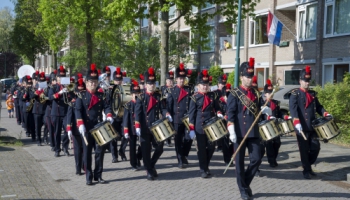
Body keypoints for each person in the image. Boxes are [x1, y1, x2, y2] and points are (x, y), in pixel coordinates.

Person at [226, 58, 271, 200]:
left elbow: (257, 110)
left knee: (257, 158)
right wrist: (231, 129)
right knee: (239, 163)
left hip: (253, 132)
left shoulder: (256, 94)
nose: (250, 79)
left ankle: (245, 183)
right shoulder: (234, 93)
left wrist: (265, 110)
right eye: (247, 76)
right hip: (239, 132)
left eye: (251, 76)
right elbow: (231, 113)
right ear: (241, 77)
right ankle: (243, 191)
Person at [289, 65, 330, 179]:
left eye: (308, 80)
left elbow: (319, 106)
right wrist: (296, 122)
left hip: (312, 126)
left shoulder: (312, 94)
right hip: (301, 127)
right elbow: (293, 109)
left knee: (316, 148)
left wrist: (325, 113)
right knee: (304, 150)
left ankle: (308, 165)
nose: (307, 83)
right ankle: (306, 170)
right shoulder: (295, 94)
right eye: (305, 81)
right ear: (300, 81)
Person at [75, 63, 113, 185]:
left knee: (99, 152)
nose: (93, 83)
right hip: (86, 128)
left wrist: (109, 115)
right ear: (86, 82)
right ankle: (88, 177)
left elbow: (107, 107)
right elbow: (78, 111)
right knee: (87, 154)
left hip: (98, 127)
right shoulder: (81, 96)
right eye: (91, 81)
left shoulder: (101, 95)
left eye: (95, 81)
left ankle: (98, 175)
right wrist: (80, 123)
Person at [134, 67, 167, 180]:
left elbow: (163, 108)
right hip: (144, 128)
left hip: (156, 127)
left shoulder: (158, 96)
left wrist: (166, 113)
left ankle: (151, 165)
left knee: (160, 147)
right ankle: (148, 170)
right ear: (146, 84)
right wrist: (137, 125)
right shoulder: (141, 97)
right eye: (149, 83)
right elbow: (137, 113)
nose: (152, 85)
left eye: (153, 83)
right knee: (146, 151)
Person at [188, 69, 222, 178]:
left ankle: (206, 165)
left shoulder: (213, 96)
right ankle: (203, 169)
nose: (205, 87)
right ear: (198, 86)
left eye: (207, 84)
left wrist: (219, 112)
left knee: (211, 147)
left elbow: (217, 108)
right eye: (203, 85)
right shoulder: (194, 98)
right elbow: (191, 114)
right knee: (202, 148)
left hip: (211, 126)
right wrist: (191, 129)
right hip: (200, 127)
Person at [166, 63, 193, 168]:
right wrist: (168, 115)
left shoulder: (188, 90)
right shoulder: (172, 91)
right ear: (176, 79)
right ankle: (180, 160)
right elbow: (169, 105)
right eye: (180, 78)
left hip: (187, 119)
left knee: (188, 139)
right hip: (176, 119)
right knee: (178, 141)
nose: (182, 80)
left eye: (183, 78)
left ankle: (184, 155)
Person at [48, 66, 70, 157]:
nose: (61, 79)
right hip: (56, 112)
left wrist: (69, 91)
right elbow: (50, 97)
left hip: (66, 112)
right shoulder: (53, 87)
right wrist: (60, 93)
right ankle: (57, 149)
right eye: (60, 77)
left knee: (67, 130)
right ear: (57, 78)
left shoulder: (68, 86)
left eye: (63, 77)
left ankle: (65, 147)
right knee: (57, 132)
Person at [67, 77, 86, 176]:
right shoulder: (73, 102)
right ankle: (78, 168)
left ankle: (85, 166)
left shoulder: (87, 101)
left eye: (83, 90)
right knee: (78, 150)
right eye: (80, 90)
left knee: (86, 149)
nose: (81, 92)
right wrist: (69, 129)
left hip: (86, 128)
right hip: (76, 128)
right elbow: (69, 116)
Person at [123, 79, 143, 171]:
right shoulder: (128, 105)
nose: (137, 95)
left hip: (141, 127)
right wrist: (126, 130)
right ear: (131, 95)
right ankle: (133, 163)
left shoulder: (143, 103)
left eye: (138, 93)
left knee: (143, 145)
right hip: (132, 128)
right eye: (135, 94)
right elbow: (126, 118)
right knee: (132, 147)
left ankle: (139, 157)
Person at [30, 72, 48, 146]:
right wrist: (37, 91)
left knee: (47, 124)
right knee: (38, 126)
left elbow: (49, 97)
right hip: (37, 110)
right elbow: (31, 96)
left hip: (45, 108)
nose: (42, 82)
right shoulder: (34, 88)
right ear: (38, 81)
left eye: (43, 81)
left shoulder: (47, 87)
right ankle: (38, 139)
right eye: (40, 81)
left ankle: (45, 137)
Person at [161, 70, 174, 147]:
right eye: (169, 80)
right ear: (166, 80)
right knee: (166, 124)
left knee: (171, 124)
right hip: (166, 107)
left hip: (173, 108)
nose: (171, 81)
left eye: (172, 80)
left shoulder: (174, 88)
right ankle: (167, 140)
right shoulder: (163, 88)